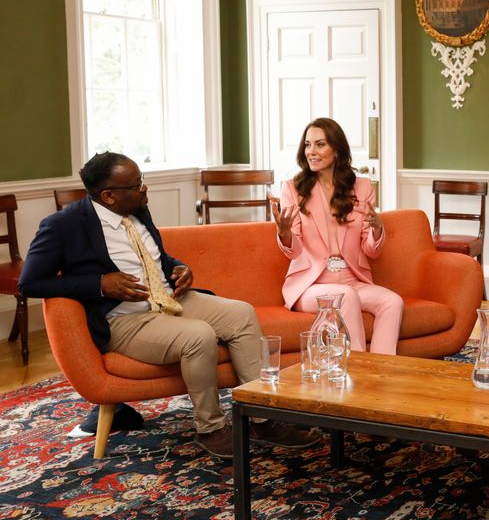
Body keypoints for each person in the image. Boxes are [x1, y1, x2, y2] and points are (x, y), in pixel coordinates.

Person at [18, 153, 317, 458]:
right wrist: (99, 283)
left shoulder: (136, 209)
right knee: (197, 335)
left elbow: (157, 258)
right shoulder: (63, 226)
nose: (144, 189)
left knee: (240, 313)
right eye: (137, 185)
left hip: (171, 299)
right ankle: (210, 428)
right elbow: (29, 283)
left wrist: (180, 267)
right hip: (126, 318)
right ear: (108, 195)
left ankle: (262, 417)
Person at [271, 117, 403, 354]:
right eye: (308, 144)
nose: (311, 151)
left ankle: (384, 372)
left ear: (337, 150)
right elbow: (296, 252)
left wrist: (376, 229)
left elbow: (371, 250)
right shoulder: (292, 188)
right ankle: (358, 372)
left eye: (320, 144)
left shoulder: (361, 187)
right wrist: (285, 232)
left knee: (392, 302)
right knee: (347, 296)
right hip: (310, 285)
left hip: (352, 280)